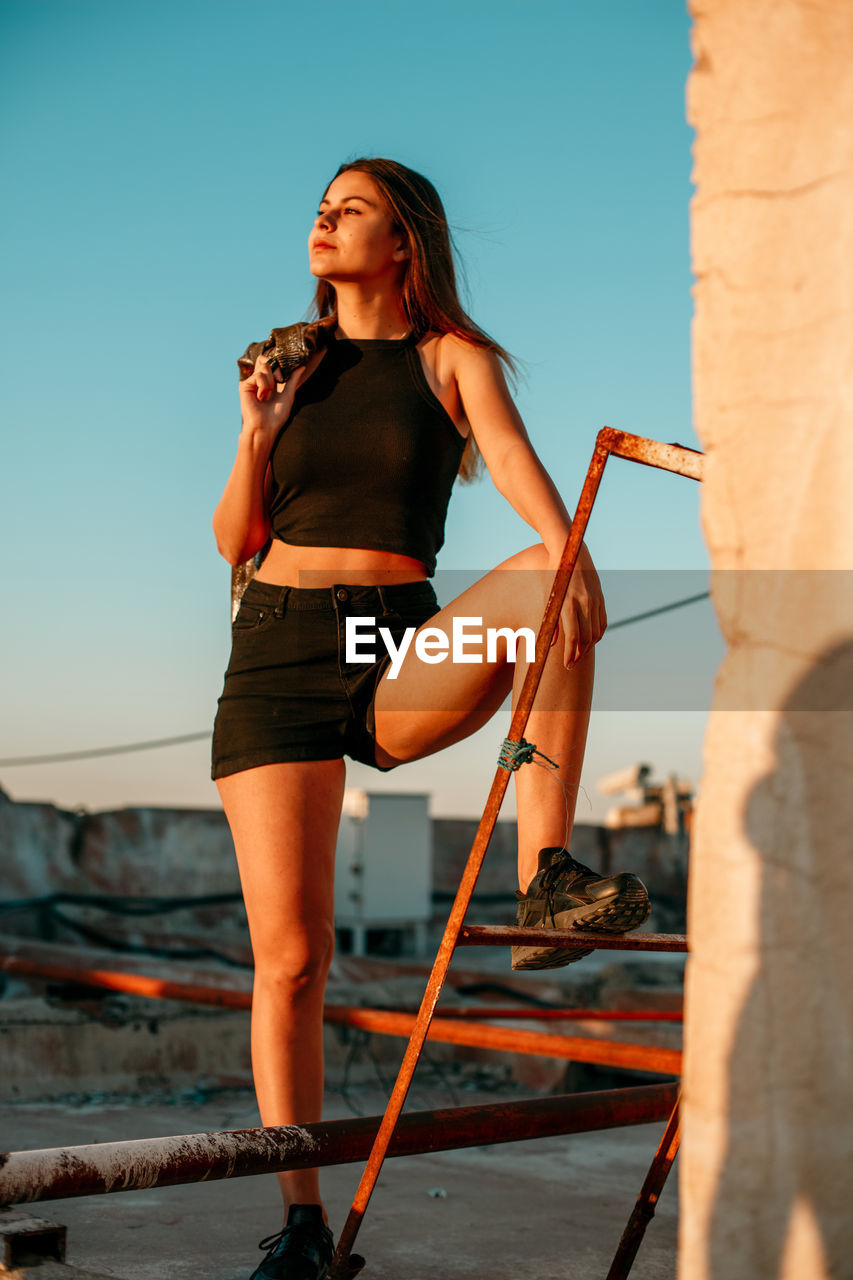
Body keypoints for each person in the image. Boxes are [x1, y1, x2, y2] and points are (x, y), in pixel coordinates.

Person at [211, 157, 650, 1280]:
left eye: (348, 209)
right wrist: (258, 426)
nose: (323, 220)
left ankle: (546, 871)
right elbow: (233, 540)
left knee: (551, 576)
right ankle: (303, 1224)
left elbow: (507, 460)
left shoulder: (453, 359)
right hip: (276, 652)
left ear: (402, 241)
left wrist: (565, 548)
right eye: (318, 207)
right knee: (294, 959)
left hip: (388, 645)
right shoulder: (289, 365)